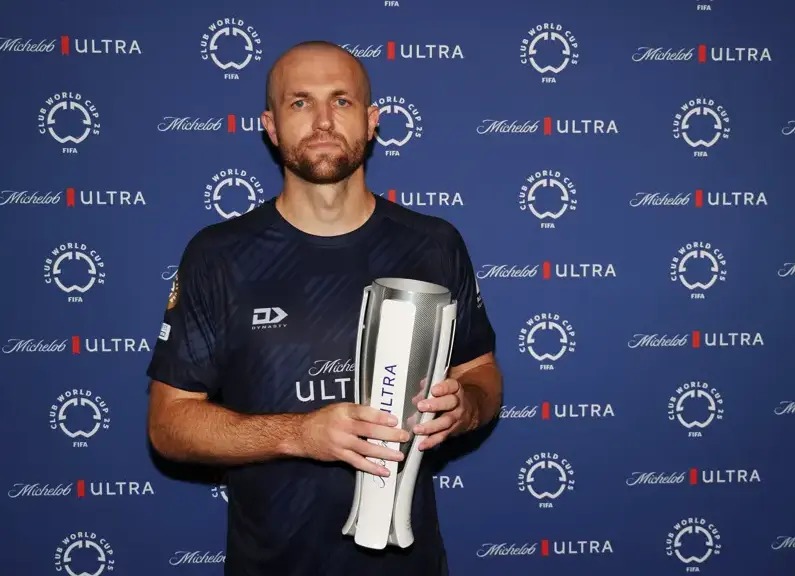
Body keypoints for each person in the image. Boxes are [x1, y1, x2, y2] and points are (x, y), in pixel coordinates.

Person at [146, 40, 503, 576]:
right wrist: (299, 434)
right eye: (300, 102)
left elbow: (481, 373)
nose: (322, 120)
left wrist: (465, 408)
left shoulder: (433, 244)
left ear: (371, 121)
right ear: (270, 126)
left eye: (341, 101)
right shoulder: (218, 256)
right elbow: (168, 424)